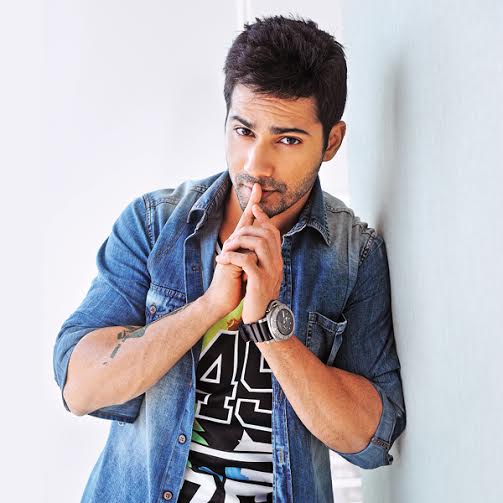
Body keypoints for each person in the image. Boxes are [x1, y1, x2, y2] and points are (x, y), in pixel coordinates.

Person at [53, 14, 406, 503]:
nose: (256, 164)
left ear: (331, 142)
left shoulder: (355, 255)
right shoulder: (154, 224)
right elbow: (79, 389)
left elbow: (369, 439)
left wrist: (270, 328)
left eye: (287, 139)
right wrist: (209, 306)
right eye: (244, 131)